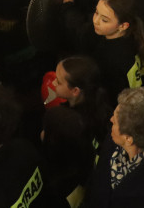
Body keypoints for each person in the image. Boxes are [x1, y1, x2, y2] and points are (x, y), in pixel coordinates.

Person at [41, 56, 111, 206]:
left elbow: (53, 156)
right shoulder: (101, 104)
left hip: (71, 187)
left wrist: (47, 135)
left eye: (58, 82)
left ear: (75, 91)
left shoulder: (65, 122)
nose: (53, 83)